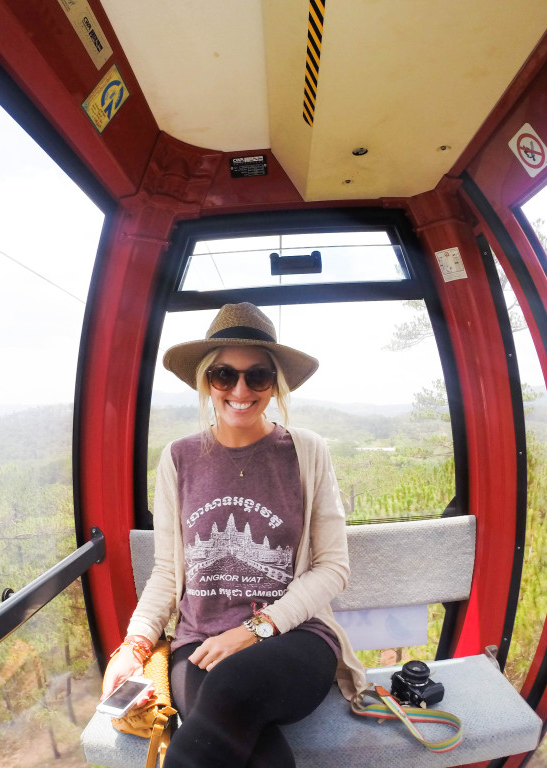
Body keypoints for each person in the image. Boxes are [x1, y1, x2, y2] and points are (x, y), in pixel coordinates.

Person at [100, 302, 366, 768]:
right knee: (256, 751)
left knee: (233, 687)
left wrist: (253, 630)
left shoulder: (306, 452)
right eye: (224, 375)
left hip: (294, 637)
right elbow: (168, 572)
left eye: (257, 376)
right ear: (207, 382)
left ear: (275, 384)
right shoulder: (179, 459)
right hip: (198, 643)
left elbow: (332, 568)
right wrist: (136, 645)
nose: (240, 390)